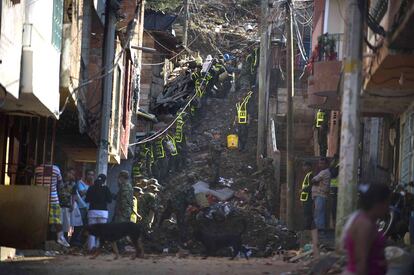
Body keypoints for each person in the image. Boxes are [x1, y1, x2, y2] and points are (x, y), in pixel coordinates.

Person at [341, 183, 390, 275]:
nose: (388, 208)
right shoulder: (364, 225)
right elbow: (361, 262)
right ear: (378, 204)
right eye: (387, 203)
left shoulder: (368, 221)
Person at [34, 163, 70, 247]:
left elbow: (35, 182)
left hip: (40, 197)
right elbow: (60, 184)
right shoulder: (56, 169)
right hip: (53, 198)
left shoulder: (37, 169)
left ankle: (38, 238)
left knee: (40, 219)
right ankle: (60, 238)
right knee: (57, 220)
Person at [85, 174, 112, 251]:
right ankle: (99, 247)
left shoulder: (91, 188)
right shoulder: (106, 188)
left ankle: (90, 248)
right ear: (104, 181)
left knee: (92, 231)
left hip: (92, 211)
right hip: (103, 213)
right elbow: (110, 200)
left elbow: (86, 200)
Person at [299, 161, 319, 257]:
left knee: (308, 216)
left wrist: (304, 190)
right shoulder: (308, 175)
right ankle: (308, 231)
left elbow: (311, 186)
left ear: (308, 166)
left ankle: (307, 231)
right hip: (305, 199)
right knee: (307, 215)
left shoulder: (310, 175)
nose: (303, 168)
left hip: (308, 199)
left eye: (304, 166)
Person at [70, 169, 92, 246]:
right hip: (81, 207)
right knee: (78, 225)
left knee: (86, 225)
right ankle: (75, 241)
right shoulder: (80, 183)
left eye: (92, 175)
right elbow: (82, 193)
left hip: (89, 208)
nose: (91, 176)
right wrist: (91, 189)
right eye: (89, 174)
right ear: (86, 175)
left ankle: (82, 242)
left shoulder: (91, 185)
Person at [311, 157, 331, 231]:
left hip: (321, 195)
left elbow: (313, 180)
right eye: (319, 163)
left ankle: (320, 231)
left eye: (322, 163)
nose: (320, 165)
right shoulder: (322, 172)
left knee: (319, 214)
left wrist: (315, 181)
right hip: (319, 195)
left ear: (327, 164)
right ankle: (319, 231)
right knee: (318, 214)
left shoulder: (324, 172)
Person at [59, 168, 77, 242]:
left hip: (68, 207)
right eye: (71, 173)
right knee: (60, 224)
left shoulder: (73, 184)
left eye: (73, 174)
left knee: (70, 225)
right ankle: (60, 239)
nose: (72, 175)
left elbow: (74, 195)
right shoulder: (60, 182)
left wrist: (72, 205)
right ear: (67, 172)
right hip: (59, 205)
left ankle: (68, 240)